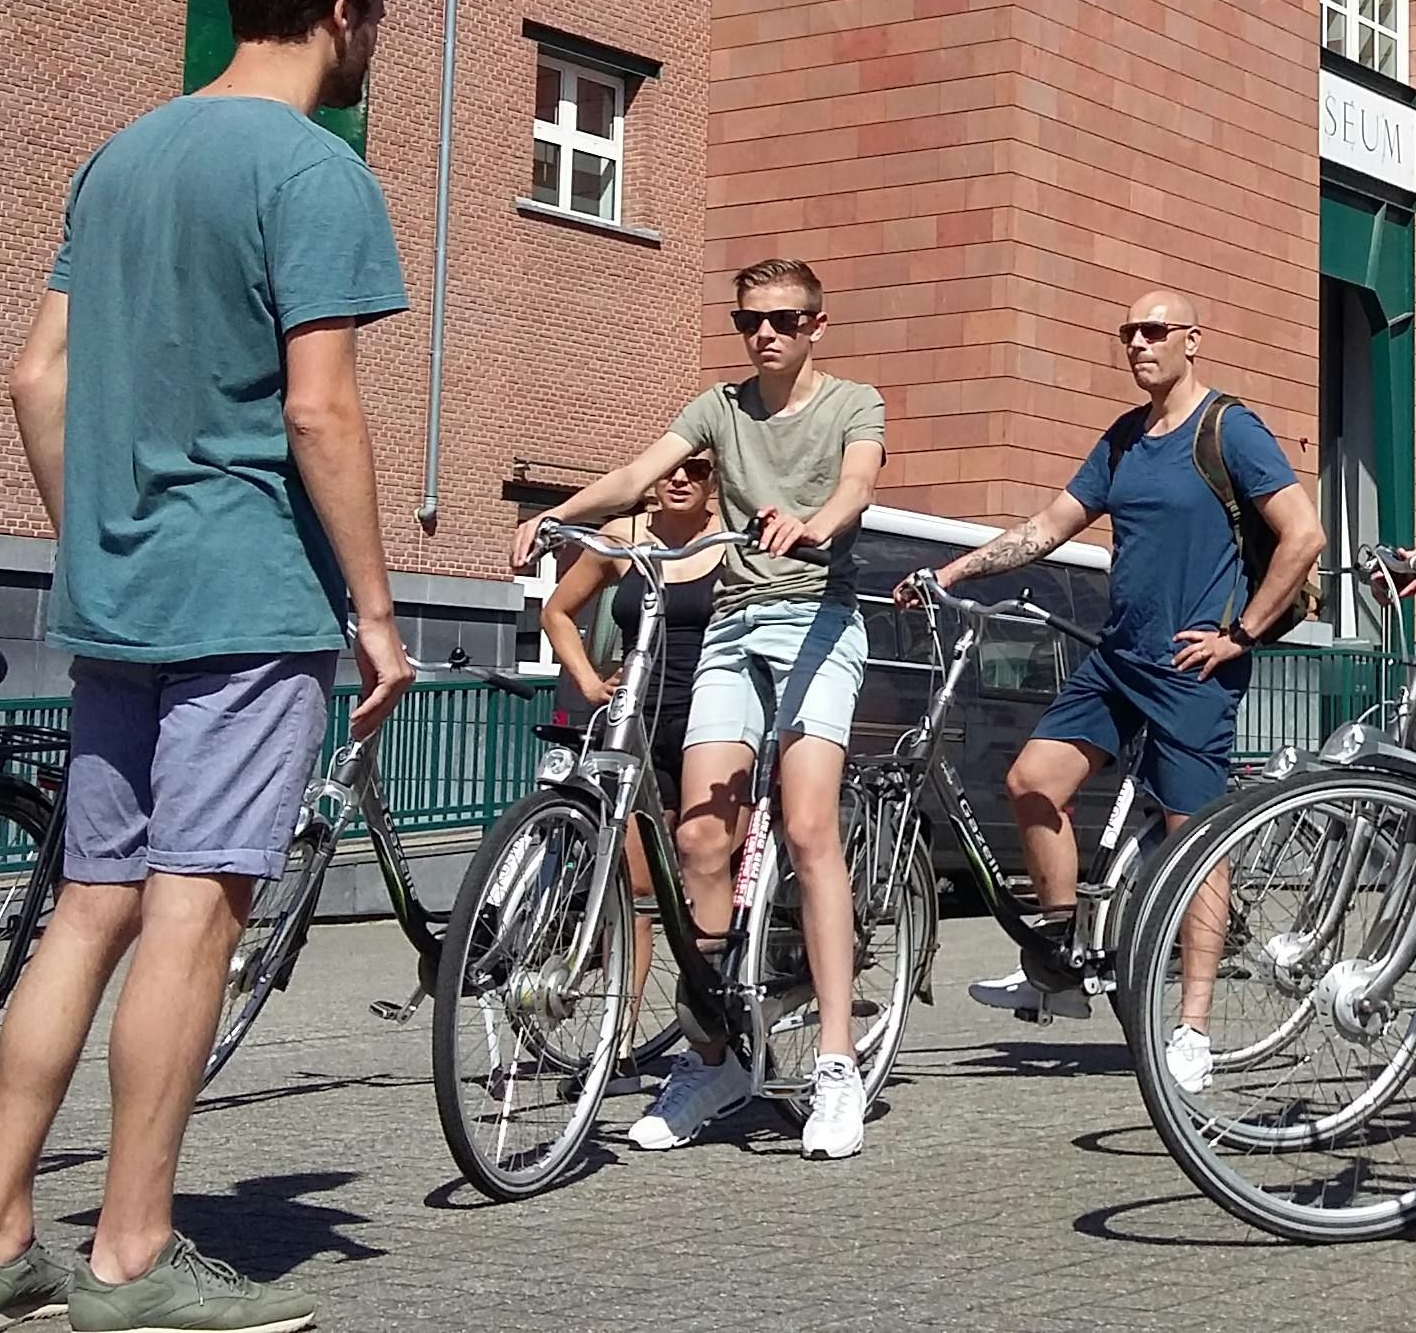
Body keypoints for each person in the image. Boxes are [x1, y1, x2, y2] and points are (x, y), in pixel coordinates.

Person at [0, 0, 414, 1333]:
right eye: (379, 14)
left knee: (89, 912)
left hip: (121, 596)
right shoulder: (316, 172)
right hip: (246, 592)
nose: (377, 38)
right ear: (343, 10)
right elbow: (321, 408)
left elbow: (35, 379)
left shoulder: (123, 154)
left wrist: (99, 535)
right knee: (196, 912)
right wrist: (379, 611)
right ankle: (133, 1255)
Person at [512, 259, 887, 1160]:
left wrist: (817, 523)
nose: (766, 334)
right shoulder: (717, 407)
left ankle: (834, 1061)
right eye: (750, 319)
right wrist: (557, 515)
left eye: (785, 320)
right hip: (733, 626)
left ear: (815, 326)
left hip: (819, 623)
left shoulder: (852, 404)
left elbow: (857, 485)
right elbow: (638, 470)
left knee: (805, 830)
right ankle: (715, 1051)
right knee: (695, 842)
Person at [913, 290, 1323, 1093]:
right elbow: (1049, 526)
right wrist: (954, 570)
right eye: (1129, 331)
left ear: (1191, 341)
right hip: (1116, 658)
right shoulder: (1125, 439)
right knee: (1031, 781)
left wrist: (1239, 634)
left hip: (1191, 668)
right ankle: (1060, 965)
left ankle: (1194, 1027)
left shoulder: (1228, 429)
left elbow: (1303, 535)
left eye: (1155, 330)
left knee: (1193, 841)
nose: (1138, 342)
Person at [539, 451, 724, 1065]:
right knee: (636, 889)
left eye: (697, 471)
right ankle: (615, 1047)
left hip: (711, 724)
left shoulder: (730, 545)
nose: (679, 478)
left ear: (715, 484)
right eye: (673, 469)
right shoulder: (626, 540)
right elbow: (557, 612)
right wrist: (591, 683)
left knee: (705, 873)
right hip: (637, 720)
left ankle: (717, 1026)